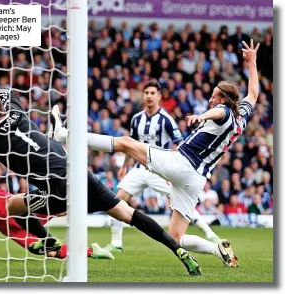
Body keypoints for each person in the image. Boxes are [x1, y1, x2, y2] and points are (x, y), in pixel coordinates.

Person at [0, 89, 201, 275]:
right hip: (78, 172)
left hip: (58, 188)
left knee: (13, 206)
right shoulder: (18, 112)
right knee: (127, 213)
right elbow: (4, 94)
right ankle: (177, 249)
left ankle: (50, 244)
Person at [51, 39, 260, 267]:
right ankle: (216, 248)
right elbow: (254, 94)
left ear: (224, 100)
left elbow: (219, 112)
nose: (210, 99)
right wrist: (252, 63)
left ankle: (63, 134)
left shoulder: (224, 112)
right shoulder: (241, 117)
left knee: (125, 143)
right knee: (176, 236)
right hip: (196, 180)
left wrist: (202, 116)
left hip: (182, 163)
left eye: (214, 96)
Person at [76, 80, 222, 253]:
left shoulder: (166, 120)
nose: (149, 96)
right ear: (143, 95)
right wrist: (125, 167)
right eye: (147, 93)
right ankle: (116, 243)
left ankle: (210, 233)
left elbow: (179, 144)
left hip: (161, 171)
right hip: (139, 169)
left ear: (159, 96)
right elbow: (132, 145)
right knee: (117, 199)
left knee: (180, 204)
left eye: (153, 93)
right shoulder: (137, 119)